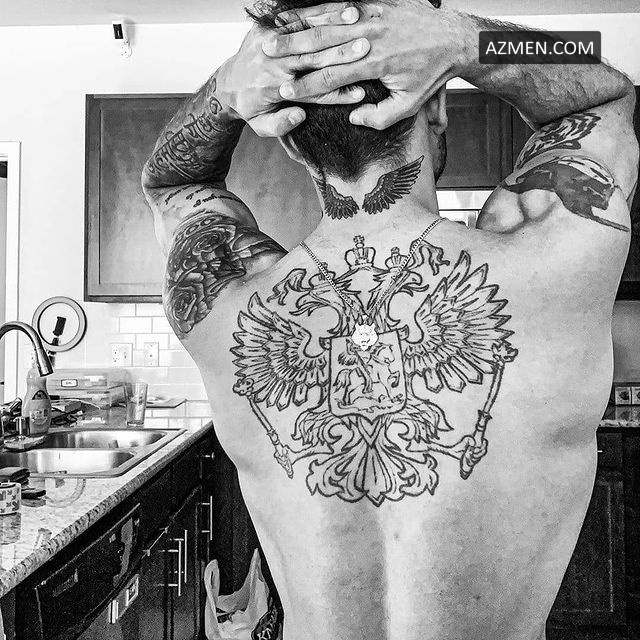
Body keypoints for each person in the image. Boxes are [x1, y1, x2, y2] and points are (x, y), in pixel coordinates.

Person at [142, 1, 638, 638]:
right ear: (436, 108)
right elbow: (607, 93)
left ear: (287, 139)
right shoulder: (550, 256)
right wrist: (461, 40)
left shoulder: (228, 304)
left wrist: (226, 88)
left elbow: (168, 183)